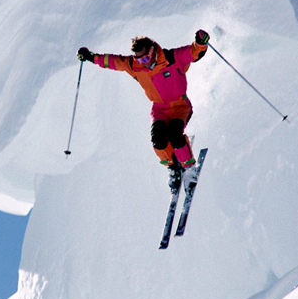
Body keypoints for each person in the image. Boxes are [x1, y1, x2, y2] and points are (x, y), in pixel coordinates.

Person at [77, 30, 210, 184]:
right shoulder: (134, 66)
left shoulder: (171, 58)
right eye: (139, 60)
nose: (144, 63)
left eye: (146, 58)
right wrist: (90, 57)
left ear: (152, 50)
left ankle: (189, 168)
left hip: (180, 106)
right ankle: (173, 167)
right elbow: (113, 62)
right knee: (158, 140)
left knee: (174, 135)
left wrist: (201, 42)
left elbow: (193, 52)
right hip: (159, 109)